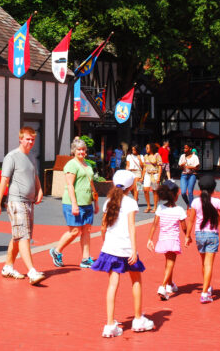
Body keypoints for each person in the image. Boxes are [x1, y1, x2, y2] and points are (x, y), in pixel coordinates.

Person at [91, 170, 153, 338]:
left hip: (110, 248)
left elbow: (103, 227)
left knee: (112, 285)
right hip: (126, 248)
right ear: (131, 185)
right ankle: (138, 319)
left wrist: (105, 244)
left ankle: (110, 324)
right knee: (136, 280)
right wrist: (134, 250)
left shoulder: (108, 201)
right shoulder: (131, 203)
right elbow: (132, 228)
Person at [0, 126, 45, 285]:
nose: (30, 142)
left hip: (29, 202)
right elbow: (4, 180)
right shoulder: (12, 156)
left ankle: (8, 267)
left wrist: (40, 190)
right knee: (24, 236)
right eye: (28, 139)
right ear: (20, 139)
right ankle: (32, 271)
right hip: (16, 200)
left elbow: (34, 175)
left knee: (18, 235)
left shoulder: (31, 158)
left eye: (33, 139)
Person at [185, 175, 220, 303]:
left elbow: (191, 220)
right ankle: (205, 293)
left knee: (203, 263)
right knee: (209, 264)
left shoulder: (195, 202)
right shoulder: (217, 202)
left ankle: (207, 287)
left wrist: (187, 236)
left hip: (199, 234)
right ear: (213, 189)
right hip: (212, 234)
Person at [49, 138, 99, 269]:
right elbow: (70, 185)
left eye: (83, 149)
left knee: (87, 230)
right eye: (79, 150)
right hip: (73, 202)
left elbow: (91, 183)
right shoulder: (71, 165)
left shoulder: (87, 165)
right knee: (74, 231)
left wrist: (96, 202)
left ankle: (85, 258)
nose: (82, 152)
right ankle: (57, 250)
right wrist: (74, 204)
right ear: (74, 151)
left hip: (87, 202)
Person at [147, 180, 187, 300]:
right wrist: (187, 236)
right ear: (174, 196)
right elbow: (184, 227)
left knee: (168, 262)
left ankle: (170, 284)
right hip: (173, 239)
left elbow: (154, 224)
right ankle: (163, 286)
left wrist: (150, 239)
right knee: (171, 262)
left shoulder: (160, 208)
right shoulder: (179, 210)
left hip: (163, 239)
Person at [141, 143, 162, 213]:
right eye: (146, 148)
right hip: (147, 174)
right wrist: (142, 177)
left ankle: (155, 206)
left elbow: (160, 166)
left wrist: (159, 177)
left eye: (147, 148)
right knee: (145, 190)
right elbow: (144, 167)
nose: (146, 149)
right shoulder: (145, 156)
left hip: (155, 175)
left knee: (154, 191)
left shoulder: (157, 155)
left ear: (151, 148)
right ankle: (148, 206)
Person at [179, 143, 200, 208]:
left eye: (186, 148)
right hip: (184, 175)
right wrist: (182, 165)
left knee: (190, 192)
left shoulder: (195, 157)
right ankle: (188, 203)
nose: (184, 149)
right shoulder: (182, 156)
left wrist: (190, 167)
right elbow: (179, 167)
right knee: (183, 192)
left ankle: (191, 207)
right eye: (184, 148)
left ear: (190, 149)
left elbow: (197, 168)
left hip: (192, 175)